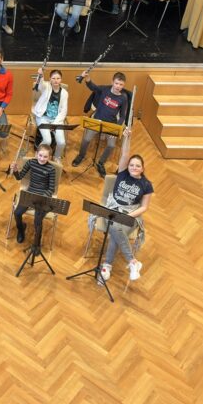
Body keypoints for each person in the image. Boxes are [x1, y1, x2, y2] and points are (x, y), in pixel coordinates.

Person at [98, 129, 151, 284]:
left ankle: (107, 267)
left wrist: (128, 216)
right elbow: (124, 154)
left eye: (137, 166)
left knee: (115, 231)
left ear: (142, 168)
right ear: (127, 166)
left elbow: (144, 207)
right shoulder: (122, 173)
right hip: (113, 209)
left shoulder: (146, 185)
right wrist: (127, 138)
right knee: (116, 228)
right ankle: (132, 262)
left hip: (131, 214)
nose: (134, 167)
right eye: (131, 165)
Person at [72, 72, 130, 176]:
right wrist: (87, 78)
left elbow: (122, 116)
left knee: (111, 145)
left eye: (121, 84)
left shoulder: (123, 98)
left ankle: (101, 163)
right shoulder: (105, 89)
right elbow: (92, 87)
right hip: (97, 121)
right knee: (86, 139)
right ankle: (81, 155)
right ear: (112, 82)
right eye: (116, 83)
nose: (118, 86)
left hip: (111, 125)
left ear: (123, 85)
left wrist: (116, 128)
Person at [9, 143, 57, 244]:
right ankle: (21, 229)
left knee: (37, 220)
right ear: (36, 154)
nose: (42, 158)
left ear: (50, 157)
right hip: (30, 193)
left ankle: (37, 242)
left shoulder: (51, 169)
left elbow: (51, 189)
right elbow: (19, 177)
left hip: (42, 196)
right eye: (40, 155)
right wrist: (15, 170)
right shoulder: (31, 162)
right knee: (17, 213)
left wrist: (42, 197)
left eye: (45, 157)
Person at [32, 68, 69, 161]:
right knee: (47, 140)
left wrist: (55, 124)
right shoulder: (46, 87)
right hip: (43, 117)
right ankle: (38, 154)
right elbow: (40, 84)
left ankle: (57, 157)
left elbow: (63, 111)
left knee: (61, 142)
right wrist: (40, 75)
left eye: (58, 78)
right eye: (53, 78)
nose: (56, 80)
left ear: (61, 79)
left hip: (56, 120)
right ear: (50, 79)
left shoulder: (64, 93)